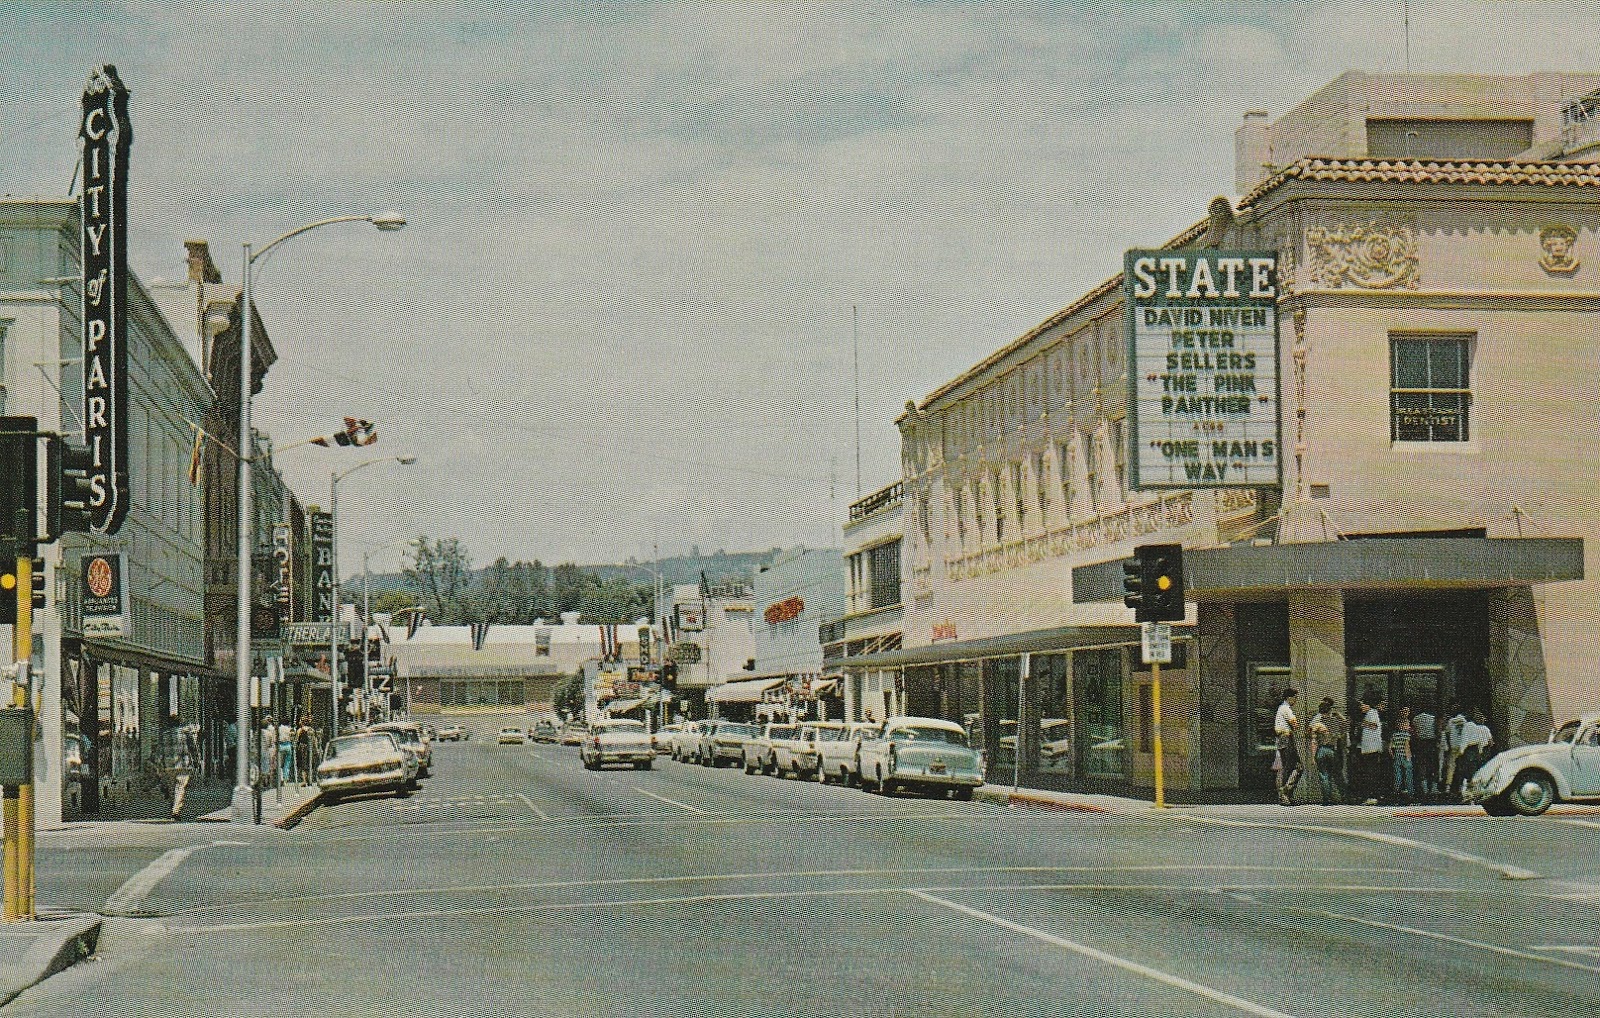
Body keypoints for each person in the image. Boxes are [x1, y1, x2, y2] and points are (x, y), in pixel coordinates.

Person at [1308, 697, 1341, 803]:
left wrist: (1312, 757)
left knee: (1324, 775)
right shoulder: (1335, 722)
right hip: (1332, 750)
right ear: (1330, 710)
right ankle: (1339, 796)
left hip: (1321, 749)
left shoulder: (1318, 723)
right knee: (1332, 774)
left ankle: (1327, 799)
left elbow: (1313, 741)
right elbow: (1339, 735)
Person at [1356, 691, 1386, 805]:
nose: (1361, 707)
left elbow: (1374, 726)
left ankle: (1372, 796)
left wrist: (1363, 724)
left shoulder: (1372, 713)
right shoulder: (1370, 714)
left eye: (1362, 705)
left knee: (1371, 773)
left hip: (1372, 749)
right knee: (1370, 773)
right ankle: (1371, 796)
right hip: (1369, 749)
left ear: (1368, 705)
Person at [1274, 688, 1302, 805]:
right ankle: (1285, 792)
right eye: (1295, 697)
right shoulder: (1286, 709)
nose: (1296, 700)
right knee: (1298, 767)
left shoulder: (1281, 708)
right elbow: (1295, 724)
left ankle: (1283, 795)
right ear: (1289, 697)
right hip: (1286, 739)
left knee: (1283, 768)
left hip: (1281, 740)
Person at [1458, 710, 1495, 794]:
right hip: (1479, 750)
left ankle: (1465, 788)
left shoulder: (1468, 726)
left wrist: (1461, 750)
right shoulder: (1484, 728)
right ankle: (1477, 788)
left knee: (1467, 768)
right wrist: (1481, 749)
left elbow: (1465, 739)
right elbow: (1490, 741)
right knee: (1477, 768)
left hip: (1469, 749)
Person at [1441, 703, 1469, 799]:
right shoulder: (1465, 722)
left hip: (1453, 747)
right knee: (1461, 767)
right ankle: (1461, 787)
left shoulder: (1451, 721)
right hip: (1462, 747)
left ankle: (1448, 788)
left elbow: (1447, 733)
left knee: (1451, 767)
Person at [1389, 705, 1414, 803]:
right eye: (1407, 725)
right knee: (1408, 774)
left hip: (1397, 756)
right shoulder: (1406, 735)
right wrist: (1409, 756)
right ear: (1405, 726)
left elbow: (1390, 748)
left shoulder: (1394, 734)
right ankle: (1410, 793)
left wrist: (1393, 755)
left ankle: (1396, 792)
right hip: (1405, 756)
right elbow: (1407, 746)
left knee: (1397, 775)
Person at [1412, 706, 1438, 800]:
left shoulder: (1415, 719)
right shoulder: (1432, 718)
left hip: (1420, 743)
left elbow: (1414, 732)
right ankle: (1434, 789)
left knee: (1422, 765)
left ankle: (1425, 789)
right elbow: (1436, 730)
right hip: (1431, 742)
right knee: (1433, 765)